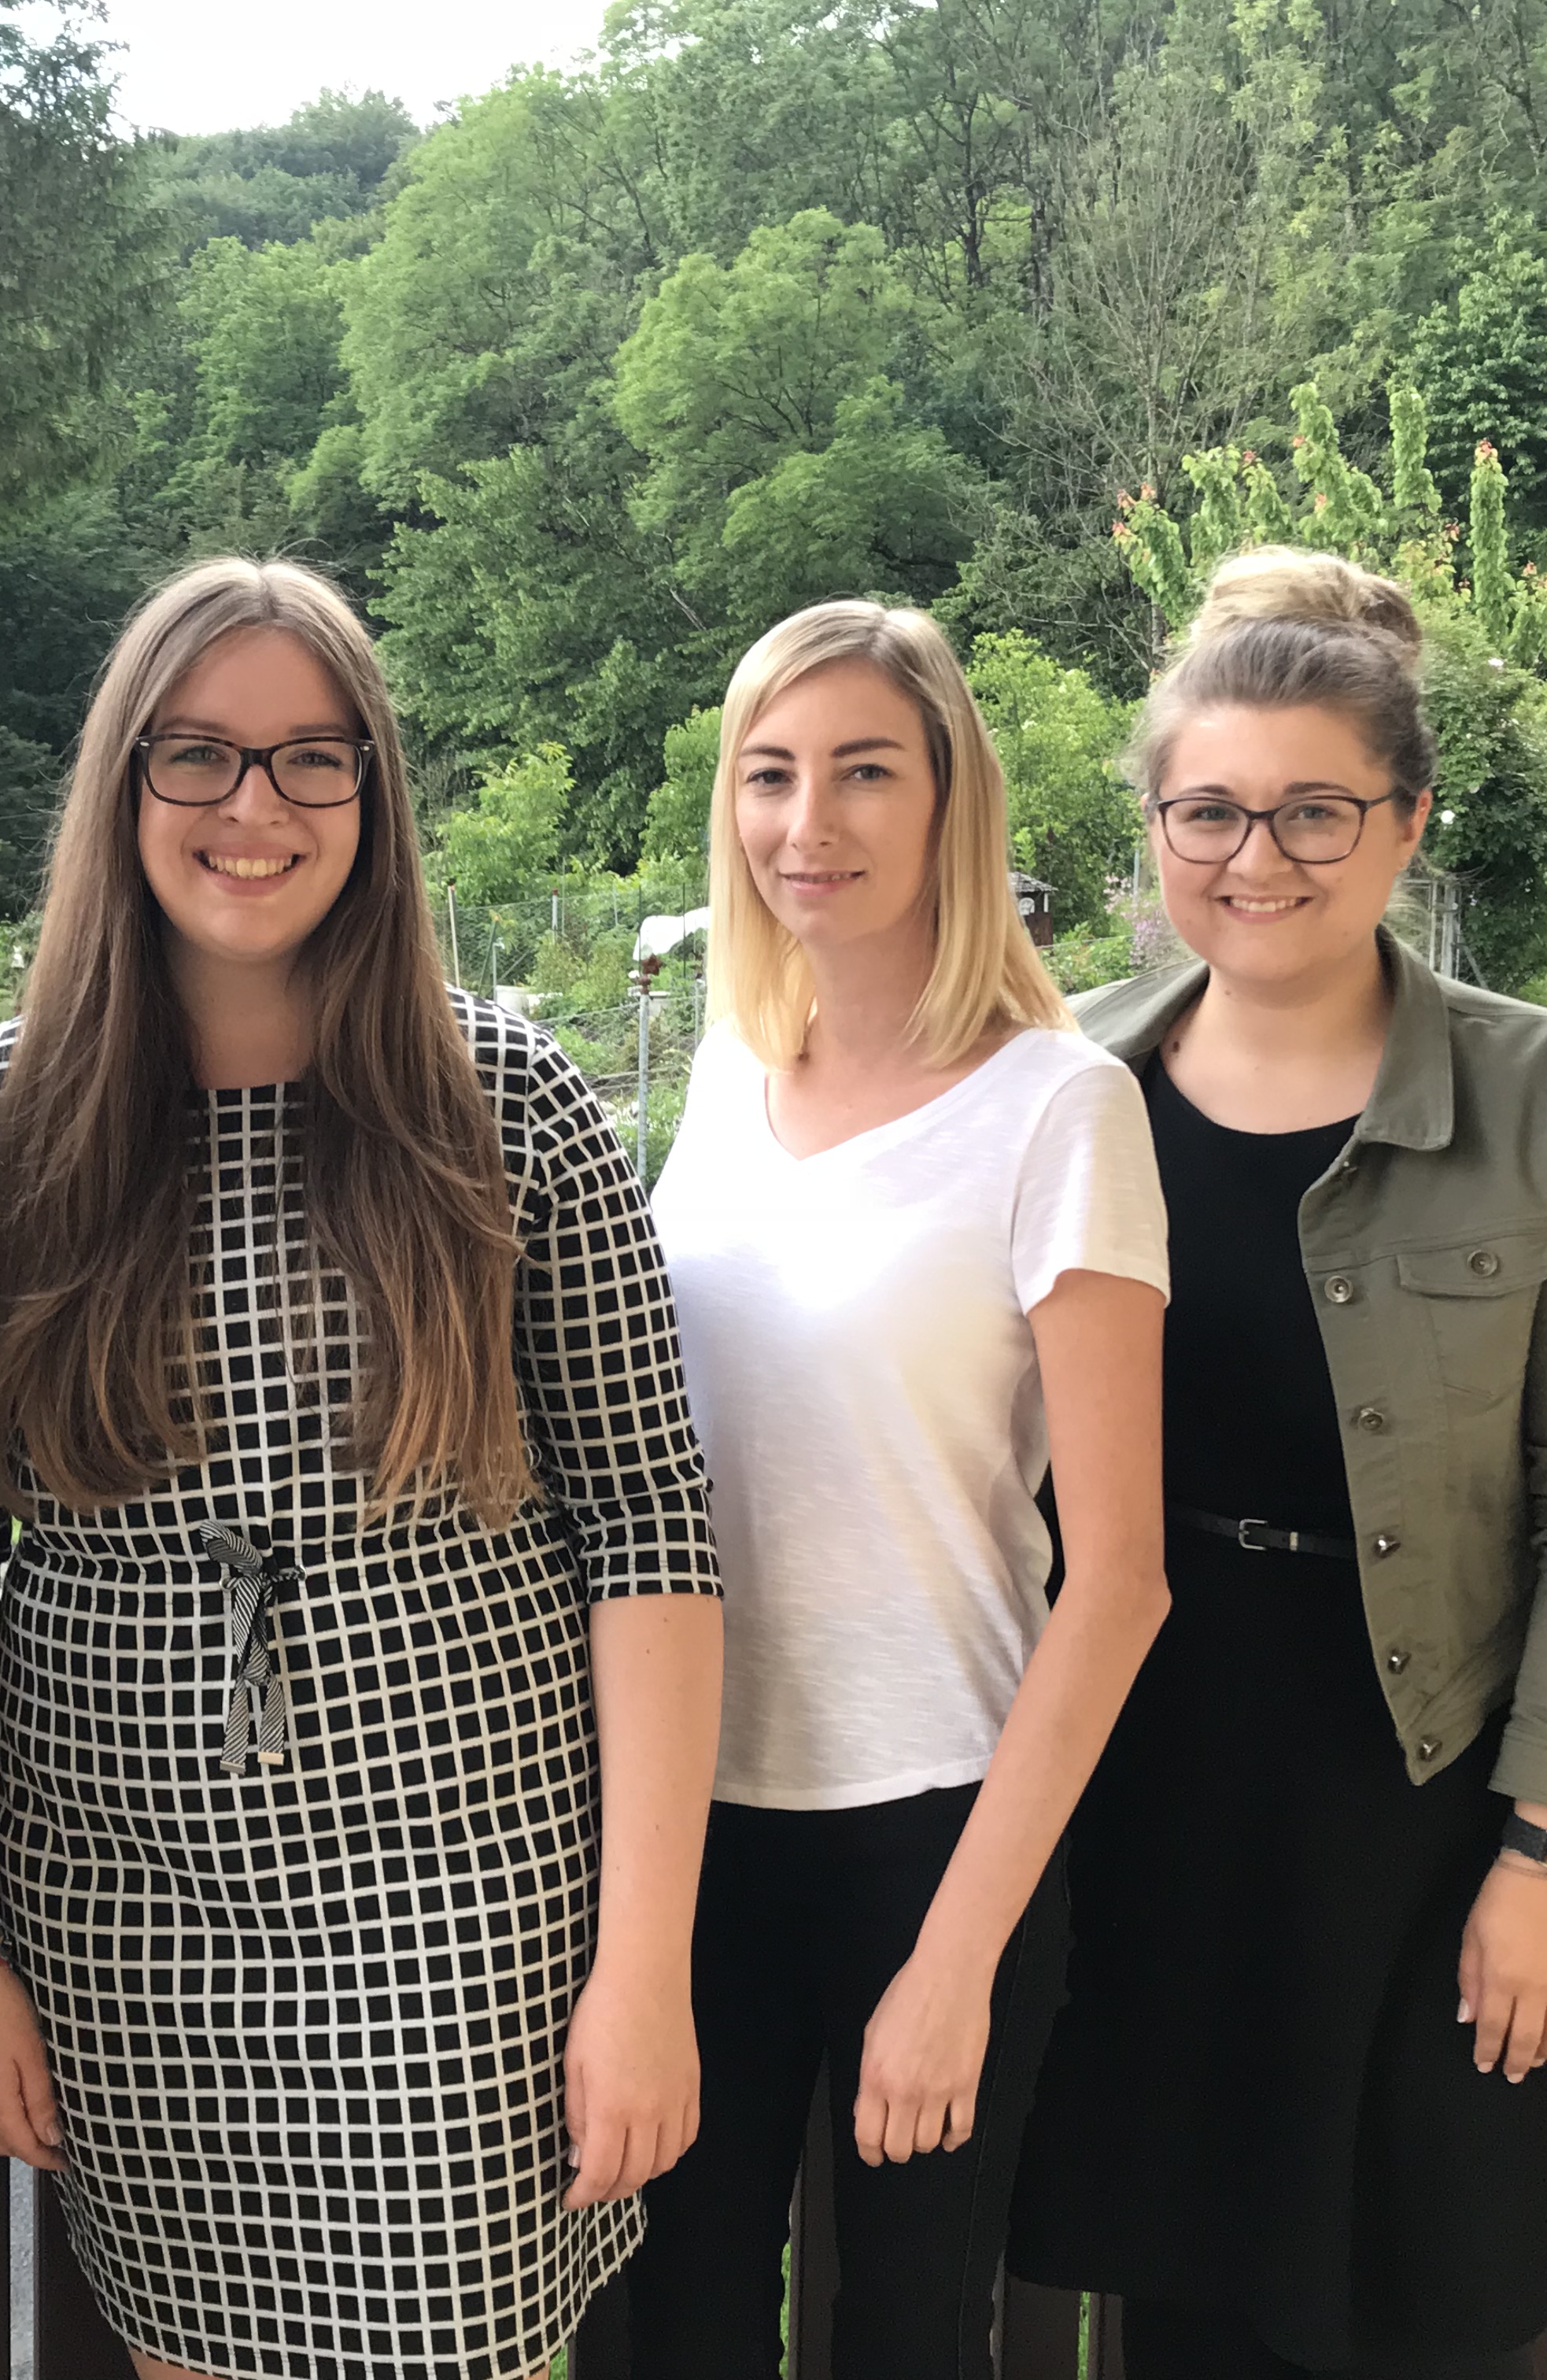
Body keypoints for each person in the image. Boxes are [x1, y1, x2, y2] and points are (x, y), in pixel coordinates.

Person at [0, 556, 726, 2380]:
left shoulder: (506, 1101)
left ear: (373, 794)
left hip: (467, 1907)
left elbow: (651, 1530)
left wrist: (644, 1973)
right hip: (127, 1925)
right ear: (125, 782)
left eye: (312, 757)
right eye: (198, 752)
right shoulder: (0, 1128)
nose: (254, 806)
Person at [1006, 549, 1547, 2378]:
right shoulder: (1063, 1090)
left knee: (1425, 2318)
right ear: (1155, 831)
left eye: (1316, 811)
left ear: (1407, 821)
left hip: (1447, 1803)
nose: (1258, 858)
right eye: (1210, 812)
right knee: (1182, 2323)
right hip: (1160, 1816)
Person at [627, 601, 1174, 2378]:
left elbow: (1122, 1580)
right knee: (670, 2325)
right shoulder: (727, 1073)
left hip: (933, 1825)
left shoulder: (1060, 1109)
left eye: (866, 772)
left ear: (951, 800)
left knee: (909, 2340)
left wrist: (955, 1960)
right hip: (690, 1816)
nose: (810, 824)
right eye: (769, 774)